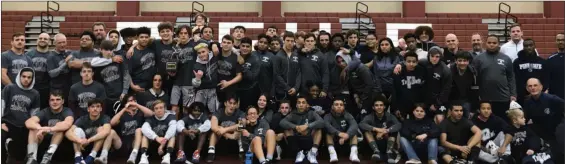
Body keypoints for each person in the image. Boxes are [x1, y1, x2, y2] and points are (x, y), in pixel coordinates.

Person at [473, 35, 516, 121]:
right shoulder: (478, 58)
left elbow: (511, 77)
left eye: (494, 43)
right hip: (485, 98)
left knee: (503, 122)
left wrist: (513, 94)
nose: (491, 45)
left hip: (503, 97)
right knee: (487, 122)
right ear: (485, 44)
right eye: (489, 43)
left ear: (498, 44)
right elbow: (475, 78)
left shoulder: (506, 58)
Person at [1, 67, 40, 162]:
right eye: (24, 76)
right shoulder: (9, 88)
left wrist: (33, 127)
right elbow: (1, 105)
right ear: (19, 76)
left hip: (23, 127)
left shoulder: (35, 93)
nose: (26, 79)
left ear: (32, 79)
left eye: (29, 77)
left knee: (19, 156)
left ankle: (9, 144)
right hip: (7, 123)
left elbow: (34, 114)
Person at [24, 90, 74, 164]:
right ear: (49, 102)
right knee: (33, 129)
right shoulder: (45, 111)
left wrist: (49, 129)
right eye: (52, 100)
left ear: (63, 101)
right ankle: (32, 158)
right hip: (43, 139)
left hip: (60, 143)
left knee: (60, 128)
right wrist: (40, 128)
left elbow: (68, 123)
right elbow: (28, 122)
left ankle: (47, 157)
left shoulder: (67, 111)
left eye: (58, 99)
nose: (55, 102)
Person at [109, 94, 154, 164]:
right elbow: (112, 123)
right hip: (123, 144)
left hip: (136, 143)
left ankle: (134, 154)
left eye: (134, 101)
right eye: (130, 101)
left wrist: (137, 105)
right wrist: (124, 109)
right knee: (111, 132)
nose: (133, 102)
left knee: (138, 130)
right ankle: (103, 156)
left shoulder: (140, 112)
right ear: (126, 103)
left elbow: (151, 114)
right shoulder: (122, 114)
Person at [279, 95, 325, 164]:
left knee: (318, 129)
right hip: (297, 140)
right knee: (286, 129)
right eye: (299, 103)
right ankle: (298, 153)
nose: (301, 104)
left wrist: (308, 126)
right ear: (296, 105)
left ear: (307, 105)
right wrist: (296, 127)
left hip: (310, 138)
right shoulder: (292, 114)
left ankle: (313, 152)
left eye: (303, 103)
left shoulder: (311, 113)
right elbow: (282, 122)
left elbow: (322, 122)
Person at [65, 99, 111, 164]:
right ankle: (78, 156)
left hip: (96, 146)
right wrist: (79, 140)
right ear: (88, 109)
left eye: (98, 107)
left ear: (101, 109)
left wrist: (88, 140)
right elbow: (68, 133)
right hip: (83, 146)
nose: (95, 109)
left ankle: (92, 156)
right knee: (76, 130)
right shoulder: (82, 119)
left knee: (101, 129)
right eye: (92, 107)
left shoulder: (105, 118)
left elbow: (106, 131)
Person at [359, 96, 401, 163]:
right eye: (376, 105)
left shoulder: (389, 116)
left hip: (387, 142)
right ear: (373, 107)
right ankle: (376, 152)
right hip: (374, 143)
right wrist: (376, 129)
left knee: (394, 131)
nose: (379, 107)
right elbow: (361, 124)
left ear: (384, 107)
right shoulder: (370, 116)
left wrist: (386, 131)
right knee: (366, 131)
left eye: (381, 105)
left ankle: (389, 153)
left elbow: (398, 125)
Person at [207, 96, 245, 163]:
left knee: (241, 130)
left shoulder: (240, 113)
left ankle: (242, 152)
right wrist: (228, 135)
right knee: (214, 132)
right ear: (225, 103)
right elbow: (213, 127)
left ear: (236, 105)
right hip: (221, 135)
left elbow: (242, 125)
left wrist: (225, 129)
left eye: (234, 104)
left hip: (235, 135)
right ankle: (211, 153)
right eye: (230, 103)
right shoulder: (218, 112)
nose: (232, 106)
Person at [139, 100, 177, 164]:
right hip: (153, 144)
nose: (159, 110)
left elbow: (172, 129)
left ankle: (167, 156)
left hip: (165, 146)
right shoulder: (151, 118)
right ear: (153, 110)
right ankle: (143, 157)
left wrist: (162, 144)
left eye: (161, 108)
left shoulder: (170, 116)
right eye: (156, 108)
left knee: (172, 136)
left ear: (165, 109)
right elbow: (144, 128)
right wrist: (156, 138)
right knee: (145, 135)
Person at [324, 98, 360, 163]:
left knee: (354, 133)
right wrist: (338, 133)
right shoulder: (327, 116)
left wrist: (347, 135)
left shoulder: (348, 115)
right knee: (328, 133)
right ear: (332, 107)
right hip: (334, 140)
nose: (339, 106)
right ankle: (332, 154)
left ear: (343, 107)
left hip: (346, 140)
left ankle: (353, 154)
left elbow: (354, 125)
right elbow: (327, 126)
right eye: (336, 104)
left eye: (341, 105)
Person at [193, 43, 219, 114]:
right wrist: (197, 78)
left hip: (213, 90)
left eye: (203, 52)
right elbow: (195, 84)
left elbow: (223, 45)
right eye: (199, 53)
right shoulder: (196, 65)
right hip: (201, 90)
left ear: (208, 51)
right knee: (198, 111)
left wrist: (214, 44)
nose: (201, 54)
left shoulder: (215, 57)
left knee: (214, 111)